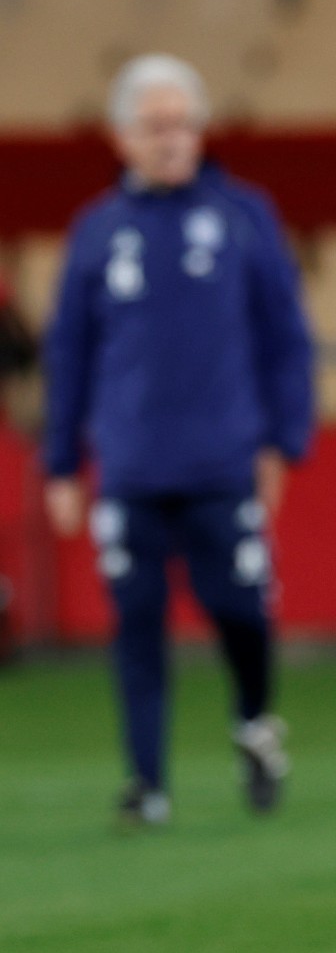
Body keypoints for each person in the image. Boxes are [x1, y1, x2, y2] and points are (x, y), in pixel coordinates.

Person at [41, 55, 315, 828]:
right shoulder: (97, 231)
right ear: (122, 137)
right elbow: (69, 352)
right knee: (135, 625)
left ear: (199, 130)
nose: (171, 139)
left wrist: (282, 441)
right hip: (129, 467)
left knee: (240, 611)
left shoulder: (243, 217)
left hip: (222, 462)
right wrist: (61, 462)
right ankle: (147, 783)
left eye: (182, 124)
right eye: (154, 125)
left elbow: (286, 337)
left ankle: (254, 724)